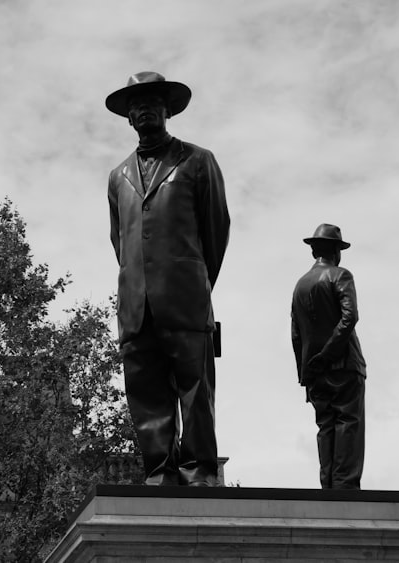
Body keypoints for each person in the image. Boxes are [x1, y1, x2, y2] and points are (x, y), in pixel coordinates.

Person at [106, 71, 230, 486]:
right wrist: (138, 283)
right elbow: (119, 241)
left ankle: (199, 471)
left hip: (185, 295)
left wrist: (192, 280)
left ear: (167, 109)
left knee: (195, 390)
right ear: (127, 117)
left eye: (150, 102)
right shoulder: (117, 177)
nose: (142, 110)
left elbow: (216, 231)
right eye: (134, 105)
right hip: (136, 304)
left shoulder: (197, 161)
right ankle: (159, 472)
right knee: (145, 392)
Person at [291, 223, 367, 489]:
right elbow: (349, 318)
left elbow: (296, 334)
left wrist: (306, 374)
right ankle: (345, 487)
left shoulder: (300, 285)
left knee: (326, 427)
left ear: (314, 251)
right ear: (337, 251)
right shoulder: (340, 275)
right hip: (343, 365)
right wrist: (327, 355)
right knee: (349, 422)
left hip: (315, 373)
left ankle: (328, 486)